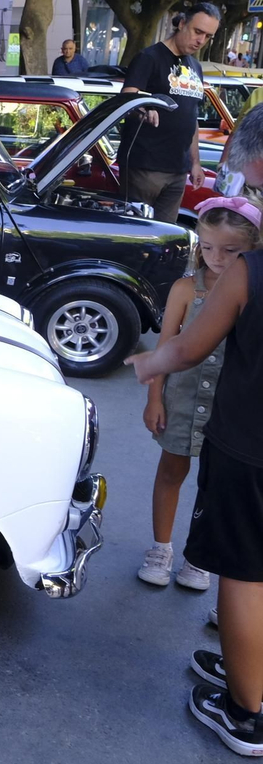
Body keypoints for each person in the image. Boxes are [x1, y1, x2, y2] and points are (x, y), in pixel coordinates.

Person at [126, 108, 263, 758]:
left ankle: (245, 711)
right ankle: (251, 675)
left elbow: (186, 347)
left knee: (243, 575)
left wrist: (149, 363)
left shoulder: (247, 273)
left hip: (250, 441)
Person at [137, 198, 263, 591]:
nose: (217, 258)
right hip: (182, 398)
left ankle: (200, 558)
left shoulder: (250, 289)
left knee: (216, 484)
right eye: (207, 247)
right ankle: (161, 548)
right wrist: (154, 397)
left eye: (230, 250)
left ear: (252, 250)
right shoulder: (184, 289)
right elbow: (166, 344)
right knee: (172, 471)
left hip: (227, 409)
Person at [120, 2, 219, 223]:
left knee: (165, 238)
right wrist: (143, 109)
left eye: (208, 36)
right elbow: (126, 99)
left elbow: (191, 116)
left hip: (178, 169)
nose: (201, 40)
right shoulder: (149, 58)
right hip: (145, 165)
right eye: (198, 31)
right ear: (182, 23)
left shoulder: (196, 67)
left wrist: (195, 163)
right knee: (136, 232)